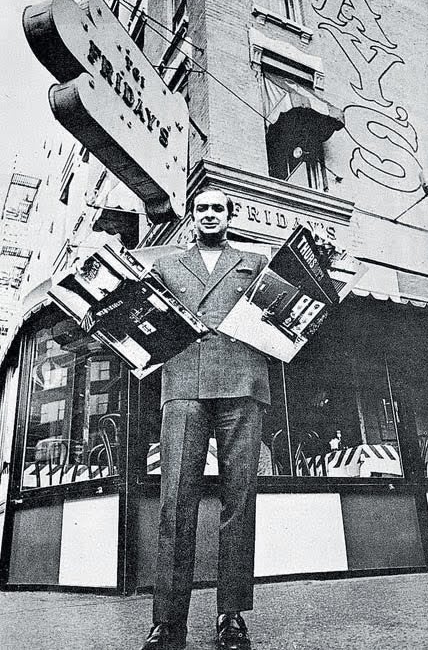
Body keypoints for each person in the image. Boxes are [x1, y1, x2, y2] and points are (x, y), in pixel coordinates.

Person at [141, 188, 271, 650]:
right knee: (175, 500)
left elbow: (289, 312)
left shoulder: (257, 262)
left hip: (242, 381)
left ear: (230, 216)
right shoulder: (164, 265)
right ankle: (167, 621)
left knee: (239, 500)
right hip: (183, 383)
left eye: (218, 208)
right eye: (202, 209)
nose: (210, 214)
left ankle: (231, 615)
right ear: (192, 217)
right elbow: (140, 317)